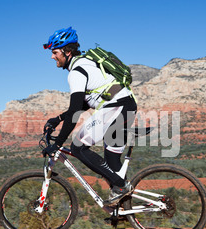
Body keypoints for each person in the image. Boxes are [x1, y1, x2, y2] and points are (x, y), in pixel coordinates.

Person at [42, 27, 137, 206]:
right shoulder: (86, 63)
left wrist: (57, 144)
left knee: (78, 148)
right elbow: (88, 101)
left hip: (115, 107)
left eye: (55, 52)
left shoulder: (77, 72)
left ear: (67, 51)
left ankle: (122, 187)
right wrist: (59, 118)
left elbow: (75, 111)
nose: (52, 57)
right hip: (127, 104)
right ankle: (123, 209)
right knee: (111, 160)